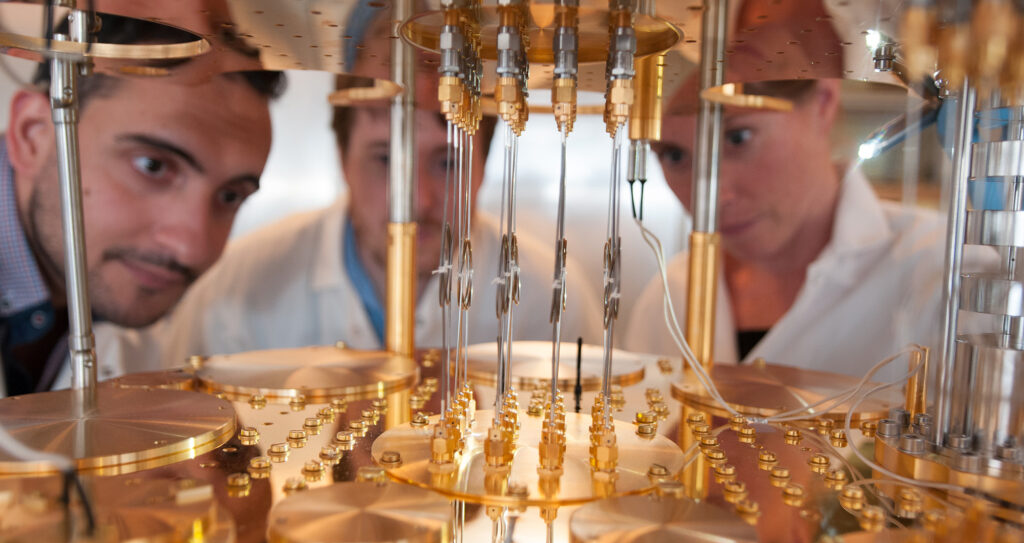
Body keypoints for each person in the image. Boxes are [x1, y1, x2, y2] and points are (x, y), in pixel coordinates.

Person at [129, 62, 602, 367]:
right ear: (342, 160)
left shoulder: (549, 295)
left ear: (484, 168)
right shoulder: (236, 292)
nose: (415, 201)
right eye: (385, 160)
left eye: (447, 163)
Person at [623, 76, 994, 380]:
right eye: (674, 155)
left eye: (738, 138)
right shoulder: (670, 294)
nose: (713, 196)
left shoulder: (953, 274)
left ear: (823, 103)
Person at [0, 16, 285, 395]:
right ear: (32, 135)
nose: (190, 247)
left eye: (230, 196)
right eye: (153, 166)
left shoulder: (108, 295)